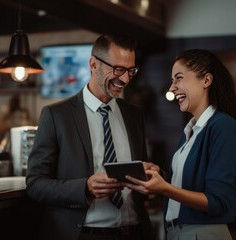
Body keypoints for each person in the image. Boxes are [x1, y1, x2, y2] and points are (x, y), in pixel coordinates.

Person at [26, 33, 154, 240]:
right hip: (84, 234)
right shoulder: (56, 115)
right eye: (119, 69)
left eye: (131, 71)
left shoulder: (134, 114)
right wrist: (84, 187)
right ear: (94, 64)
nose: (125, 79)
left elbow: (144, 168)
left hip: (135, 232)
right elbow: (35, 184)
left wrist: (154, 173)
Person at [124, 49, 236, 240]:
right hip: (177, 233)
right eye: (172, 81)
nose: (172, 88)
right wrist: (160, 176)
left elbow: (218, 201)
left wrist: (164, 188)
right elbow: (189, 186)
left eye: (178, 78)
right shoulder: (191, 130)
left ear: (206, 80)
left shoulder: (222, 125)